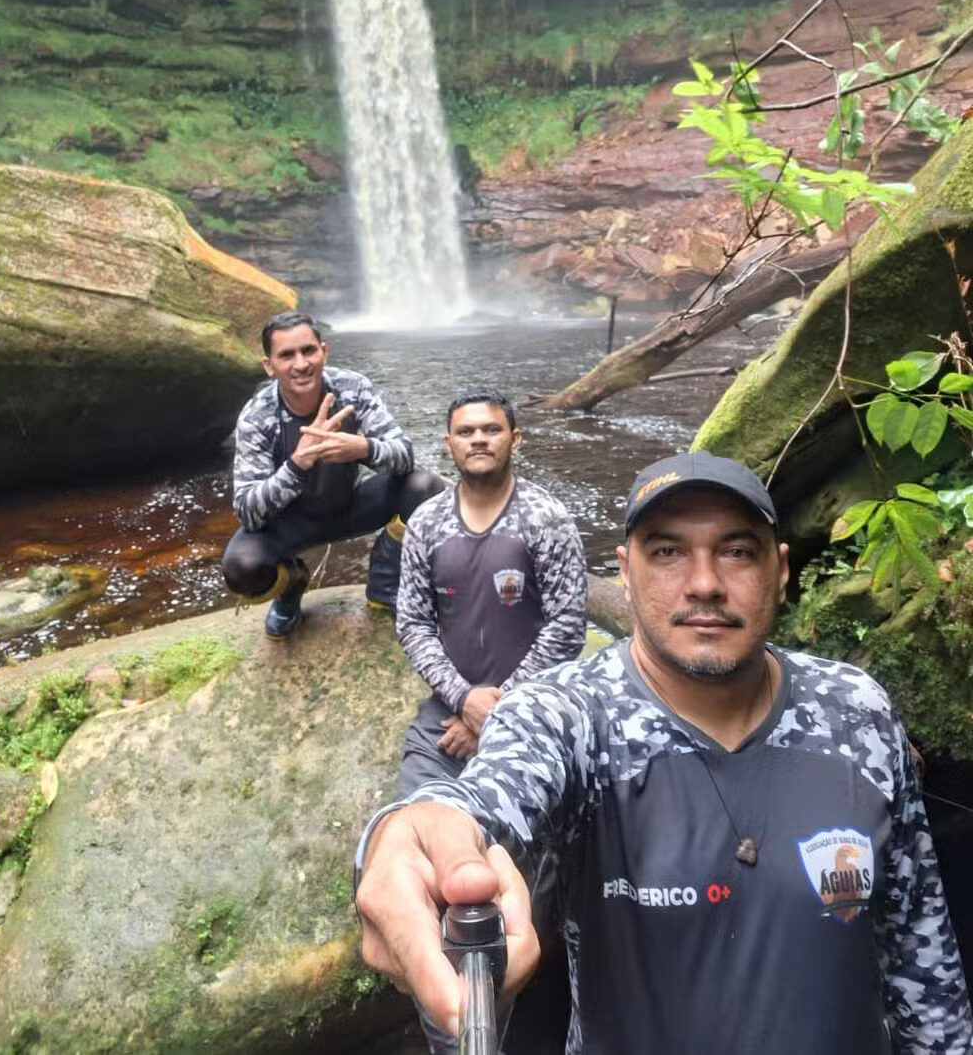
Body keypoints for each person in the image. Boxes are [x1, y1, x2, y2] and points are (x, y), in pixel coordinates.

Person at [354, 451, 973, 1054]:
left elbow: (920, 949)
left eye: (736, 551)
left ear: (780, 570)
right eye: (668, 552)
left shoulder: (857, 711)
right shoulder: (572, 714)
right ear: (625, 572)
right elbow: (490, 792)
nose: (704, 584)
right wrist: (408, 834)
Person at [395, 389, 588, 797]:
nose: (479, 439)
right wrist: (464, 700)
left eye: (491, 430)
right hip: (448, 713)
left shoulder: (546, 518)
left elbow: (567, 626)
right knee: (413, 820)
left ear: (515, 439)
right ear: (449, 444)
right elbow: (413, 622)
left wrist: (497, 712)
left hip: (534, 709)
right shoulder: (426, 522)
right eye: (466, 432)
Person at [222, 311, 444, 636]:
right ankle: (292, 586)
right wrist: (297, 465)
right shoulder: (258, 416)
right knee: (241, 568)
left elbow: (404, 455)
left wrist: (364, 449)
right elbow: (248, 512)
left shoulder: (352, 388)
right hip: (290, 523)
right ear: (269, 366)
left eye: (308, 351)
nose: (301, 364)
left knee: (425, 487)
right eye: (287, 355)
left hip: (349, 506)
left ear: (324, 352)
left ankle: (386, 579)